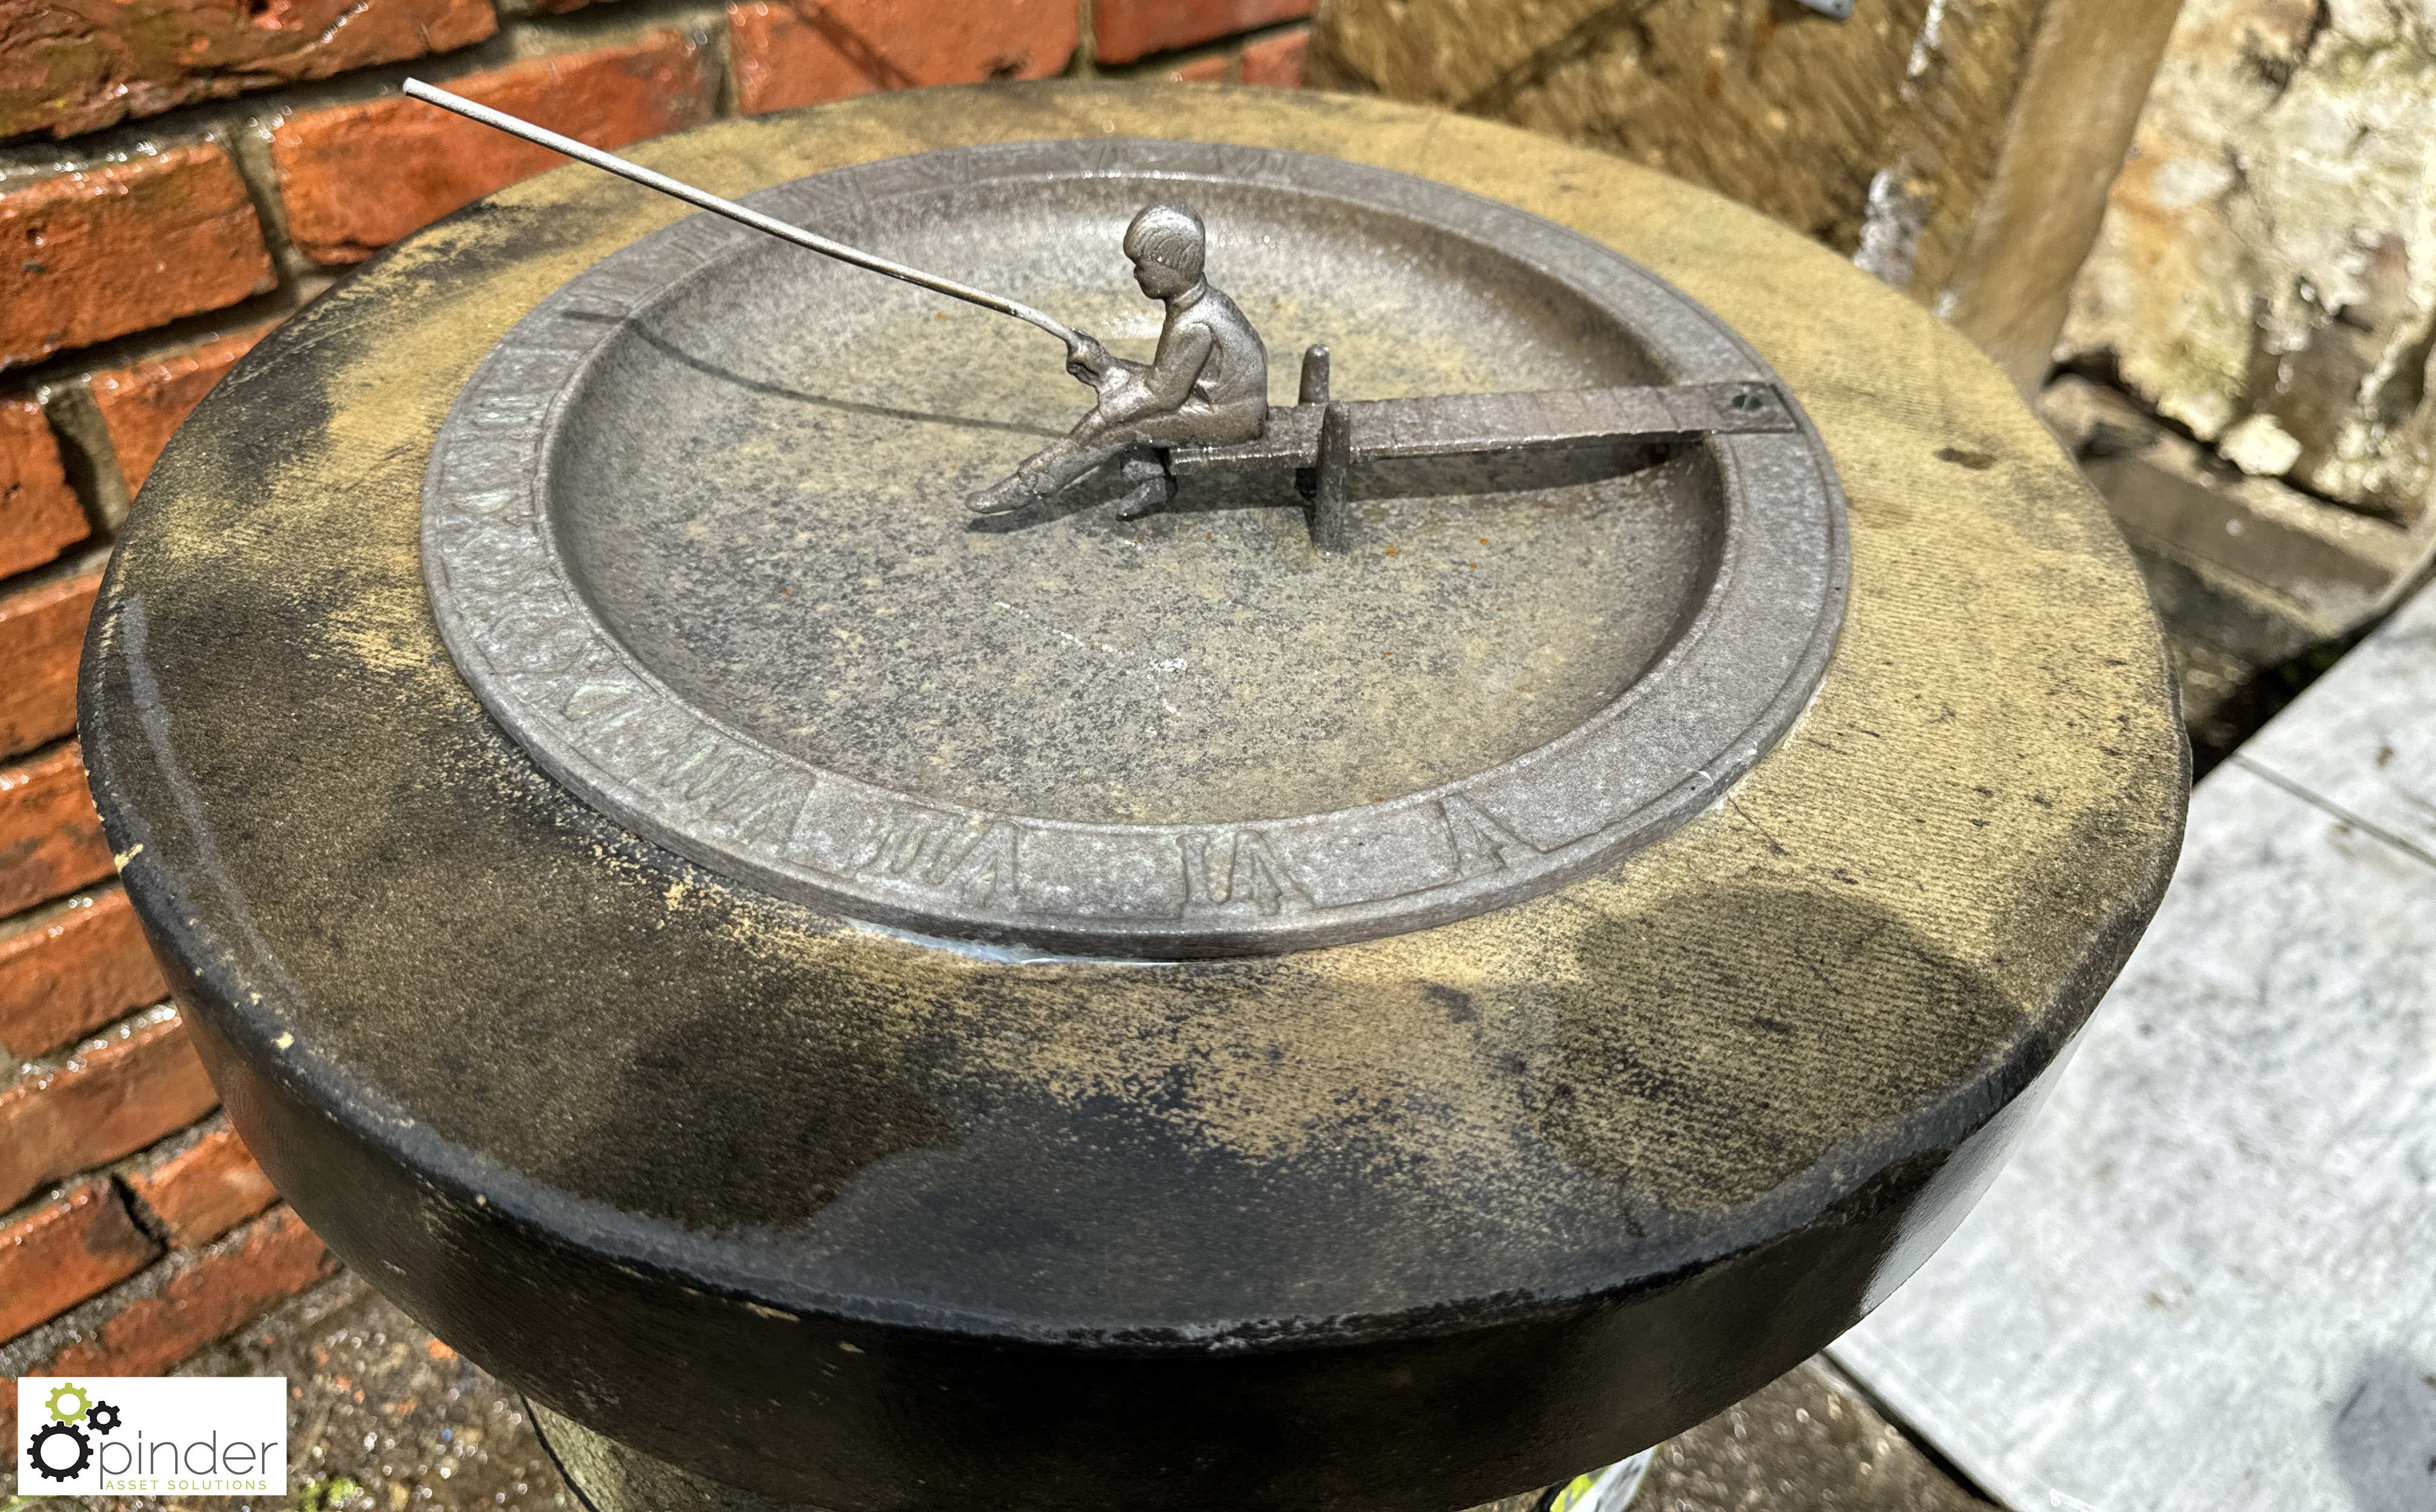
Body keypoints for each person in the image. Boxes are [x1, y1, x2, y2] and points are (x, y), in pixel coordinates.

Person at [967, 202, 1268, 520]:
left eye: (1143, 266)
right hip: (1220, 403)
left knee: (1117, 427)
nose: (1136, 275)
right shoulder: (1206, 302)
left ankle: (1029, 484)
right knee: (1123, 396)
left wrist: (1103, 415)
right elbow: (1163, 381)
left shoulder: (1194, 324)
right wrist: (1106, 368)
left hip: (1231, 418)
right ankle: (1153, 482)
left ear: (1174, 265)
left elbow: (1163, 395)